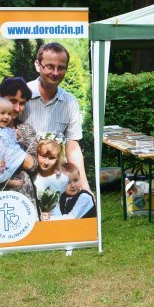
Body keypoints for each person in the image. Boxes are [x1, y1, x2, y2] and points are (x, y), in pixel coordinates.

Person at [22, 42, 90, 193]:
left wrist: (84, 185)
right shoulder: (21, 96)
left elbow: (72, 146)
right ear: (37, 65)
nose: (55, 72)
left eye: (61, 68)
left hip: (56, 177)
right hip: (23, 175)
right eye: (50, 66)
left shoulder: (70, 102)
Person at [33, 136, 68, 219]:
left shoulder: (62, 178)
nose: (46, 162)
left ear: (58, 158)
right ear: (37, 154)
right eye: (43, 156)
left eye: (52, 158)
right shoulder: (32, 178)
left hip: (56, 219)